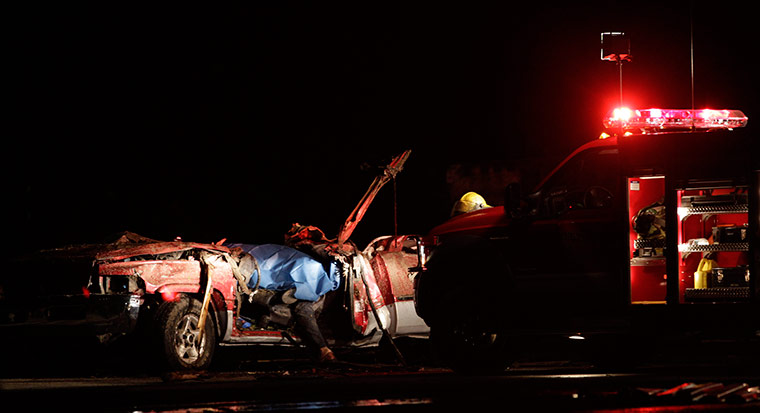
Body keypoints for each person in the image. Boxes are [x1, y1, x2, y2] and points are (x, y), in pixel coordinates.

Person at [227, 243, 340, 363]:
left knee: (303, 310)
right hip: (297, 282)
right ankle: (323, 349)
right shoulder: (303, 251)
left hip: (314, 288)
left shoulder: (317, 262)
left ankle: (323, 349)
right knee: (299, 308)